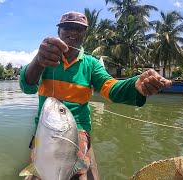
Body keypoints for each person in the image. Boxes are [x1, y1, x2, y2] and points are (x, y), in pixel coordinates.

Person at [19, 11, 172, 180]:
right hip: (46, 127)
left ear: (85, 34)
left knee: (79, 173)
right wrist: (38, 61)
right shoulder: (46, 58)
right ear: (59, 31)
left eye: (79, 29)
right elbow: (27, 86)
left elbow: (110, 88)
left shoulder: (91, 64)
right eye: (68, 27)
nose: (73, 32)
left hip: (78, 129)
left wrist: (135, 85)